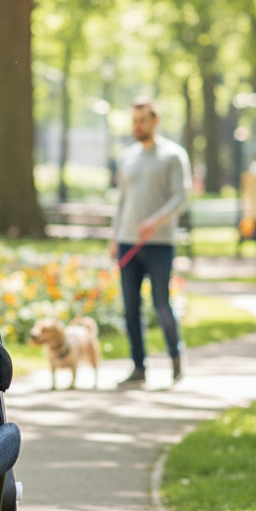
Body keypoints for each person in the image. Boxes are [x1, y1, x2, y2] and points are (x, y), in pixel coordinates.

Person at [109, 97, 191, 388]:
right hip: (127, 242)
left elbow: (181, 197)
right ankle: (138, 367)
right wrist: (114, 236)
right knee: (130, 308)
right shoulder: (127, 156)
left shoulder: (173, 155)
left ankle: (176, 358)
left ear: (155, 120)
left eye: (142, 120)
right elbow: (121, 201)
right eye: (134, 120)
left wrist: (155, 221)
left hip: (159, 244)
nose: (137, 126)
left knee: (161, 305)